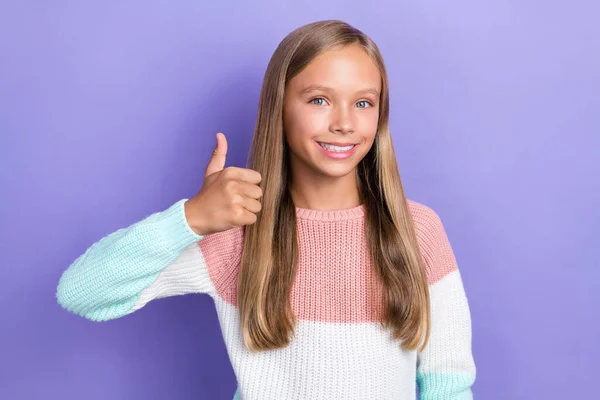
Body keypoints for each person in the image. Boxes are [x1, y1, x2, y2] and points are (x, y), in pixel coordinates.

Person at [56, 19, 476, 400]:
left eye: (363, 103)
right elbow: (82, 293)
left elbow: (449, 384)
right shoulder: (235, 234)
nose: (344, 123)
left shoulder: (416, 229)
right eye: (319, 100)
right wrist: (191, 218)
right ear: (279, 107)